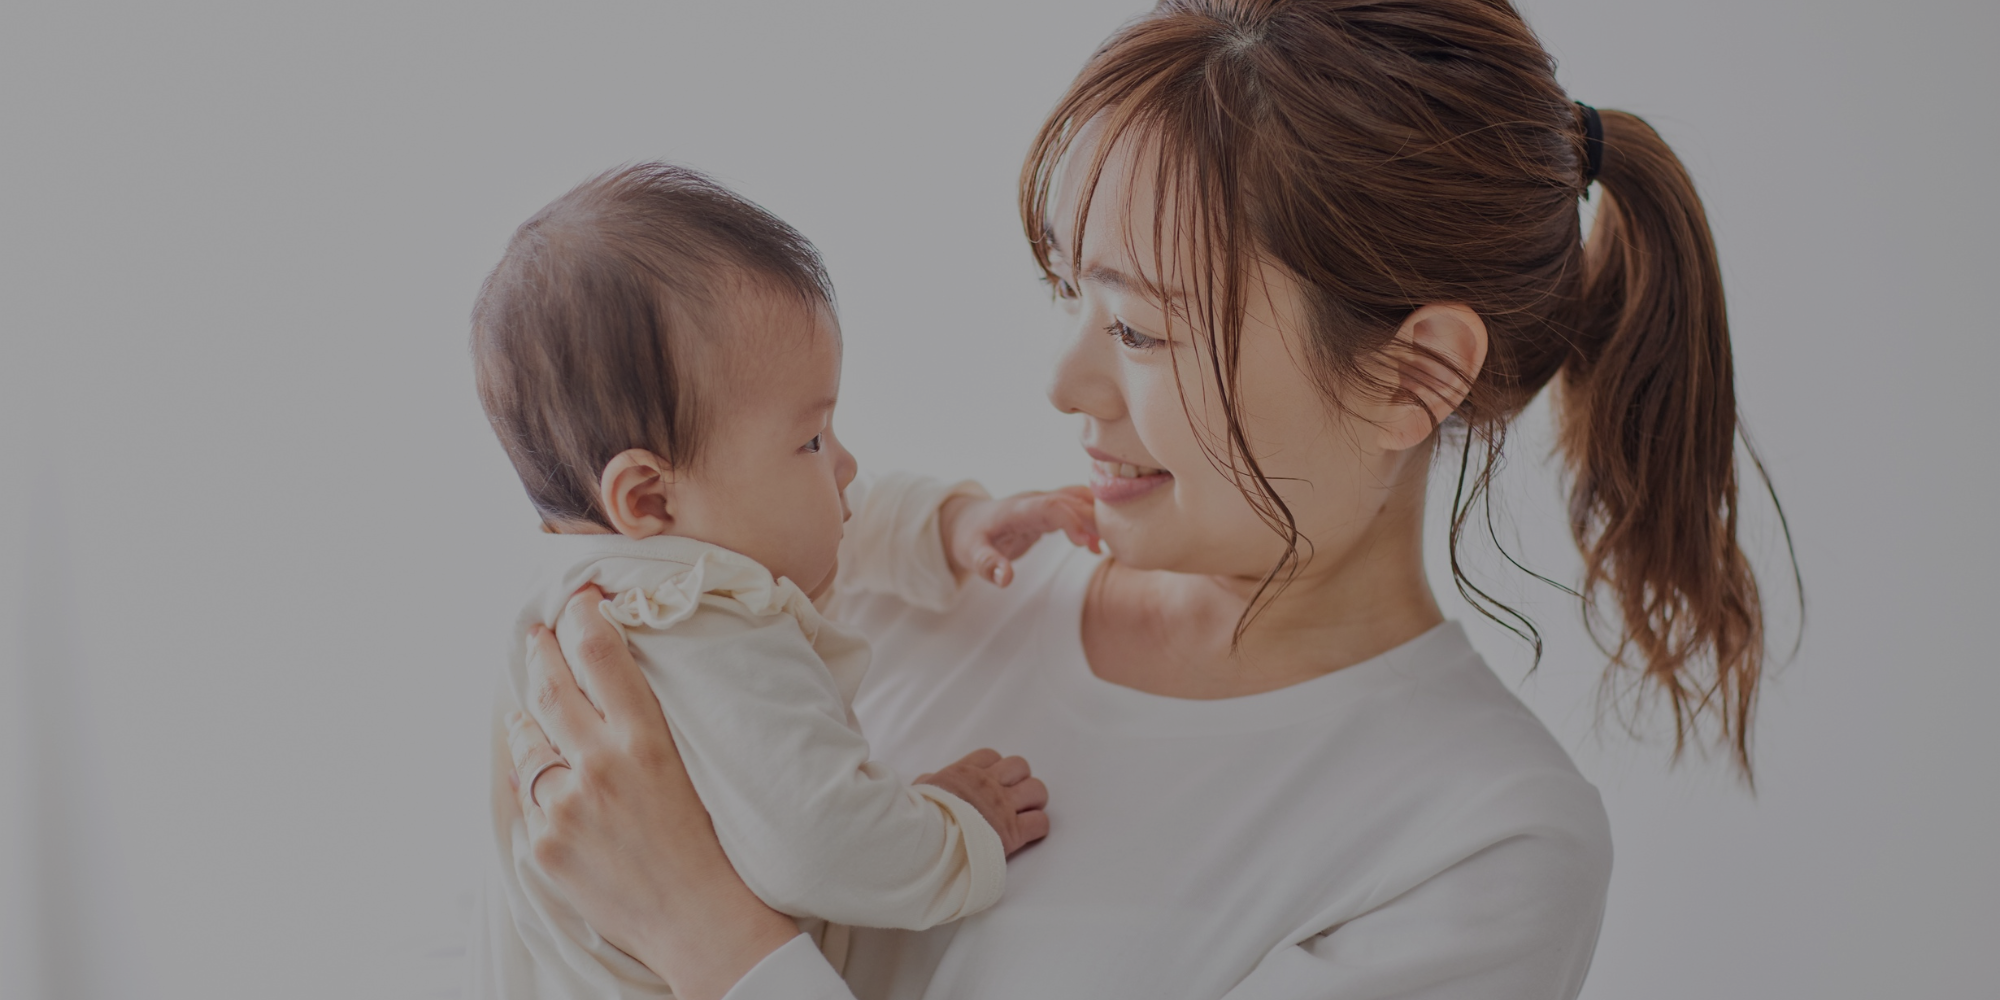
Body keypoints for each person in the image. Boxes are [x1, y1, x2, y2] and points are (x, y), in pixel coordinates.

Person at [499, 1, 1782, 997]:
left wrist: (705, 933)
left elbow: (665, 888)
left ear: (1415, 375)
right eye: (1073, 296)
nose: (1062, 382)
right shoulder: (908, 579)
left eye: (1139, 329)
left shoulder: (1481, 843)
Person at [466, 163, 1097, 998]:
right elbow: (822, 846)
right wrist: (956, 826)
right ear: (647, 495)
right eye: (811, 441)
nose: (845, 464)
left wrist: (942, 525)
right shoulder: (702, 625)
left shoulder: (591, 598)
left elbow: (803, 533)